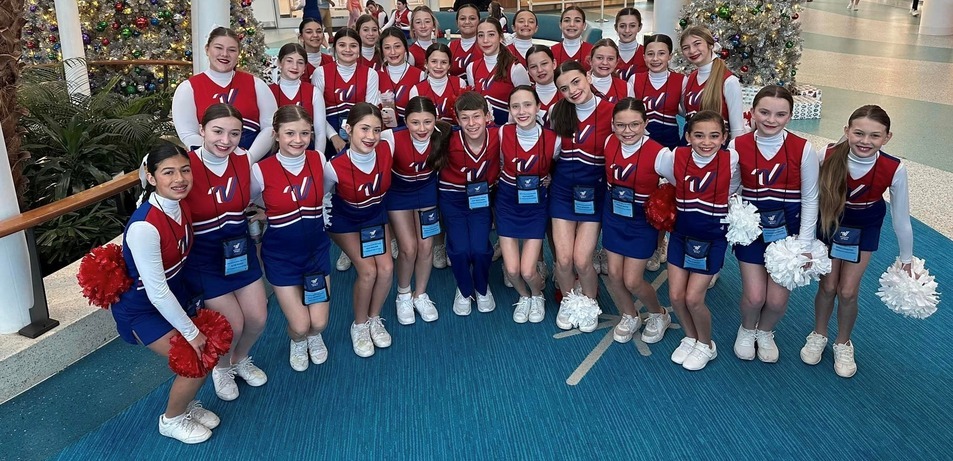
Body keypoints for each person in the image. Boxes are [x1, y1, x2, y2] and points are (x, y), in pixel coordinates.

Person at [112, 141, 219, 444]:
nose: (179, 179)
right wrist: (191, 332)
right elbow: (157, 292)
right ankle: (171, 420)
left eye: (185, 170)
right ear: (150, 177)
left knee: (202, 355)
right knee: (196, 359)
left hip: (173, 298)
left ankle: (186, 404)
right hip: (143, 308)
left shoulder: (179, 204)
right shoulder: (145, 226)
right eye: (168, 172)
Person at [804, 105, 913, 378]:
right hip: (830, 222)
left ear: (887, 137)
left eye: (875, 136)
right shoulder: (826, 155)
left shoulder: (894, 168)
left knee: (848, 291)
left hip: (864, 227)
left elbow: (901, 218)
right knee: (828, 286)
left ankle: (843, 342)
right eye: (859, 133)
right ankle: (819, 333)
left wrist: (906, 258)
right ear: (847, 131)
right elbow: (807, 196)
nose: (866, 141)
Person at [181, 104, 268, 402]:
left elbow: (256, 193)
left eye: (234, 133)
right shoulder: (185, 166)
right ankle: (221, 367)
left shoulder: (244, 159)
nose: (226, 140)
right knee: (232, 324)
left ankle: (238, 359)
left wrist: (262, 213)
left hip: (239, 250)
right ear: (202, 130)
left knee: (257, 318)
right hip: (204, 256)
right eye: (217, 131)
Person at [729, 85, 819, 364]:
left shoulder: (803, 149)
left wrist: (804, 245)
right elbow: (731, 189)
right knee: (755, 297)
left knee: (777, 301)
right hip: (752, 232)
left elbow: (811, 198)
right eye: (764, 112)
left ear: (790, 116)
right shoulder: (738, 145)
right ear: (752, 112)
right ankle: (747, 329)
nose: (771, 120)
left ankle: (765, 331)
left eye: (780, 114)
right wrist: (734, 216)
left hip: (787, 235)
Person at [654, 110, 740, 371]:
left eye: (714, 136)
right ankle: (690, 337)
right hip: (681, 235)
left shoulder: (731, 159)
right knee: (676, 296)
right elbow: (669, 178)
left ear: (724, 137)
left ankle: (706, 344)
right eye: (699, 135)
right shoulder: (675, 156)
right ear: (688, 136)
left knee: (693, 298)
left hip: (712, 240)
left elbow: (735, 188)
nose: (706, 142)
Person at [251, 105, 333, 371]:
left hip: (316, 252)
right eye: (290, 133)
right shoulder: (260, 170)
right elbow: (248, 202)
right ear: (275, 135)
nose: (298, 140)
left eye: (305, 133)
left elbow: (326, 189)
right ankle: (298, 340)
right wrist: (265, 213)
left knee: (318, 323)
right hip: (281, 256)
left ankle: (313, 337)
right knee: (299, 324)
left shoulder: (318, 160)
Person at [324, 103, 396, 358]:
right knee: (368, 271)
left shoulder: (387, 146)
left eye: (376, 130)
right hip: (345, 221)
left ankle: (374, 318)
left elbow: (418, 130)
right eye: (364, 129)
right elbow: (321, 198)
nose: (371, 137)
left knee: (386, 269)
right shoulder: (333, 166)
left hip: (374, 216)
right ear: (348, 128)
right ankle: (359, 325)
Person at [548, 60, 615, 332]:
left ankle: (588, 302)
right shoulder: (556, 111)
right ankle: (569, 301)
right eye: (564, 88)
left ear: (588, 76)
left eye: (576, 82)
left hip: (594, 194)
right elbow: (548, 150)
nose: (572, 91)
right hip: (562, 192)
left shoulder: (611, 111)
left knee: (582, 260)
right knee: (563, 259)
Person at [602, 98, 671, 344]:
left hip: (641, 223)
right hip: (614, 216)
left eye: (634, 125)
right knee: (613, 273)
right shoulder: (609, 142)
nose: (627, 131)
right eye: (621, 125)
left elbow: (678, 185)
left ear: (645, 123)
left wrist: (662, 208)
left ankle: (658, 314)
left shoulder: (660, 153)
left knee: (632, 280)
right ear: (613, 125)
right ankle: (629, 315)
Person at [430, 91, 501, 316]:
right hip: (452, 199)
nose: (471, 123)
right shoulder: (447, 137)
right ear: (457, 120)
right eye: (465, 118)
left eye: (476, 116)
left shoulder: (499, 135)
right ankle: (463, 289)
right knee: (460, 250)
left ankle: (481, 287)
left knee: (480, 249)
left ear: (487, 116)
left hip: (480, 199)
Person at [387, 96, 453, 325]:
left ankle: (420, 294)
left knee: (426, 246)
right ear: (405, 121)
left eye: (427, 121)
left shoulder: (443, 135)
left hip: (426, 192)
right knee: (408, 248)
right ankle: (403, 294)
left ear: (436, 119)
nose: (422, 128)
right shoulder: (391, 137)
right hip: (399, 195)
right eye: (415, 122)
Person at [497, 86, 560, 323]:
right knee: (512, 270)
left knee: (527, 270)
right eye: (515, 106)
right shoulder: (503, 132)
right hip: (507, 204)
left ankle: (537, 294)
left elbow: (560, 165)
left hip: (535, 207)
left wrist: (551, 176)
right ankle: (524, 296)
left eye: (527, 105)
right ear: (509, 110)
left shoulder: (553, 140)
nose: (522, 111)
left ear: (538, 107)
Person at [172, 27, 277, 160]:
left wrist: (248, 159)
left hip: (254, 161)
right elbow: (188, 134)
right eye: (218, 48)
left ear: (238, 53)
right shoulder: (188, 88)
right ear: (207, 49)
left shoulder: (257, 84)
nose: (225, 54)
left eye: (232, 50)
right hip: (208, 163)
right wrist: (219, 158)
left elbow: (270, 127)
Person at [313, 27, 381, 155]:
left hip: (361, 138)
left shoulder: (371, 74)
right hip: (329, 138)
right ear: (334, 49)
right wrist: (334, 137)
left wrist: (356, 138)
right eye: (342, 45)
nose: (348, 50)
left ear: (359, 50)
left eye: (353, 46)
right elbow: (317, 114)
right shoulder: (320, 73)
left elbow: (370, 112)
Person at [679, 26, 746, 140]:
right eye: (686, 47)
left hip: (715, 148)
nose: (692, 51)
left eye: (697, 44)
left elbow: (737, 128)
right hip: (689, 145)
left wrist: (734, 154)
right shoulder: (689, 78)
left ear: (710, 45)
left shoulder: (729, 81)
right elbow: (687, 112)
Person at [467, 17, 531, 126]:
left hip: (510, 131)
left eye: (491, 34)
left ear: (500, 37)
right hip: (483, 132)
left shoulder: (515, 68)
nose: (485, 40)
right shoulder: (471, 68)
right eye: (481, 35)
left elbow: (528, 103)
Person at [270, 43, 329, 154]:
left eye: (300, 62)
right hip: (276, 152)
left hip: (307, 149)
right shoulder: (268, 91)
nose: (295, 67)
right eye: (289, 61)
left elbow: (320, 132)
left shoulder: (313, 92)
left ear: (305, 67)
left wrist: (318, 157)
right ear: (279, 62)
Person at [377, 27, 427, 128]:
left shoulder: (420, 75)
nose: (393, 52)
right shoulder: (375, 76)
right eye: (387, 48)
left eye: (397, 46)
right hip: (383, 133)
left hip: (412, 133)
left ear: (405, 47)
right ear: (382, 51)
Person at [410, 43, 468, 124]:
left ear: (449, 65)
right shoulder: (416, 90)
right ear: (426, 64)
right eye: (434, 61)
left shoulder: (460, 83)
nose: (438, 66)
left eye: (444, 62)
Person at [525, 45, 562, 124]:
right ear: (528, 71)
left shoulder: (568, 93)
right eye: (533, 67)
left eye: (544, 63)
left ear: (554, 64)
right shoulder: (525, 96)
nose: (540, 70)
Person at [550, 7, 593, 72]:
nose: (572, 24)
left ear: (584, 26)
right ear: (560, 25)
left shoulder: (592, 51)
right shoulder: (551, 51)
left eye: (577, 21)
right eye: (567, 20)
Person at [588, 39, 631, 103]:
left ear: (616, 62)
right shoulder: (581, 85)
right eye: (599, 58)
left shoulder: (626, 87)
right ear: (590, 60)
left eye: (610, 59)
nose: (605, 63)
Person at [449, 4, 481, 83]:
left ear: (479, 22)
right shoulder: (450, 46)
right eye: (463, 18)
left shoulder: (486, 45)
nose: (467, 22)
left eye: (472, 18)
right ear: (457, 23)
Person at [613, 7, 647, 81]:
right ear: (616, 28)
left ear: (639, 27)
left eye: (632, 26)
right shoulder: (609, 54)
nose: (627, 30)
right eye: (622, 26)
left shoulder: (647, 53)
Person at [408, 6, 440, 70]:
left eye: (427, 21)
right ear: (413, 27)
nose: (423, 26)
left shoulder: (440, 48)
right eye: (418, 22)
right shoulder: (410, 54)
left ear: (433, 25)